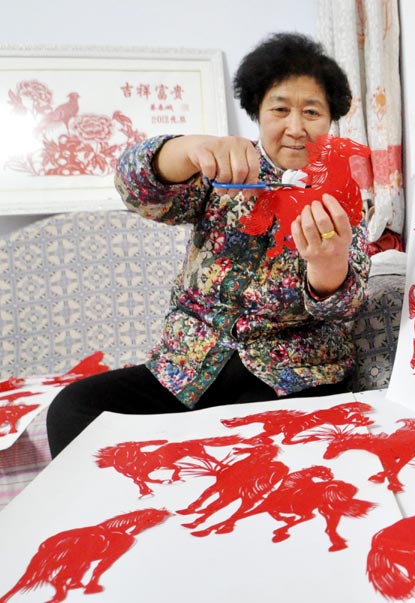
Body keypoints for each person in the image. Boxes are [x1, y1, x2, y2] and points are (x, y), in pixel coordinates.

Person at [46, 33, 370, 457]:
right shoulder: (221, 168)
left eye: (312, 112)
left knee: (253, 452)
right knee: (73, 410)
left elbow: (346, 307)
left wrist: (327, 267)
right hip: (188, 367)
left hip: (292, 377)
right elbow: (138, 191)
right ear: (257, 111)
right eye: (280, 109)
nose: (295, 127)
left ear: (329, 122)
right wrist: (187, 148)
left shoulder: (341, 193)